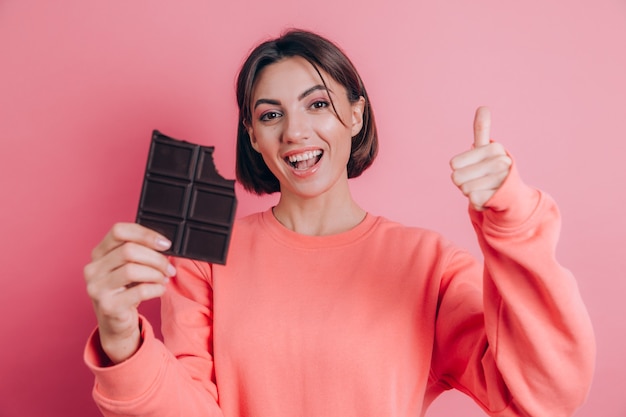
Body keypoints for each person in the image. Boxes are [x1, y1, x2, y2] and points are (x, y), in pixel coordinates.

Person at [83, 29, 595, 417]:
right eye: (270, 115)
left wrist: (513, 221)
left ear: (356, 115)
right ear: (253, 137)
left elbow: (544, 394)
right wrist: (121, 337)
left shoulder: (428, 264)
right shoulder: (203, 260)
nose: (295, 131)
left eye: (319, 104)